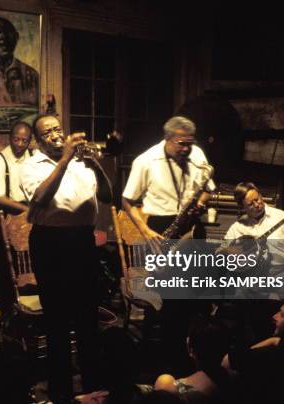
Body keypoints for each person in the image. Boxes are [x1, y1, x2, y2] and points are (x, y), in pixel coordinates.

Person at [19, 114, 112, 402]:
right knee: (58, 321)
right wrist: (64, 159)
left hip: (82, 241)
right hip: (51, 244)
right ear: (37, 140)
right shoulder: (30, 165)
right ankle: (61, 394)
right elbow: (41, 198)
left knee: (87, 319)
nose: (56, 135)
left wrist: (97, 163)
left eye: (58, 129)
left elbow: (108, 195)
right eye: (48, 132)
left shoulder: (81, 162)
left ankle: (94, 387)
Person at [122, 115, 216, 374]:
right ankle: (161, 363)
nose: (186, 149)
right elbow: (127, 201)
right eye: (181, 144)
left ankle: (188, 358)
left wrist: (202, 200)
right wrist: (145, 230)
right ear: (167, 138)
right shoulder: (146, 161)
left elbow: (209, 186)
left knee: (192, 298)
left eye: (189, 143)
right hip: (162, 229)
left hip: (192, 226)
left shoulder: (196, 153)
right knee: (165, 302)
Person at [223, 182, 284, 299]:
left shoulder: (281, 216)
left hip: (283, 273)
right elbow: (220, 251)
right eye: (250, 204)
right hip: (252, 276)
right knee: (239, 297)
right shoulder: (238, 227)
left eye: (257, 199)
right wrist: (229, 251)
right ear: (242, 207)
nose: (257, 205)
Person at [0, 121, 33, 316]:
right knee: (7, 266)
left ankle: (31, 306)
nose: (20, 144)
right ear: (9, 138)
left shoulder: (34, 158)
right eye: (16, 139)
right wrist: (25, 211)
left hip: (30, 215)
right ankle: (8, 312)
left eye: (25, 140)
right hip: (5, 214)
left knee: (31, 263)